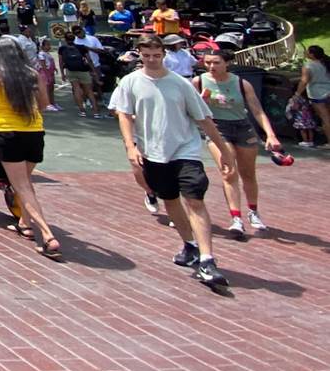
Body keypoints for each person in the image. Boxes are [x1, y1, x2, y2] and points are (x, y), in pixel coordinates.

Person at [109, 34, 234, 288]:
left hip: (185, 150)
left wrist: (224, 150)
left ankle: (207, 259)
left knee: (195, 199)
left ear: (164, 55)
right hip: (153, 152)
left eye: (156, 55)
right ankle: (189, 245)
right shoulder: (130, 82)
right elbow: (123, 114)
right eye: (146, 55)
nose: (152, 60)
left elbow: (203, 118)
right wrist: (130, 147)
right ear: (139, 54)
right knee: (170, 199)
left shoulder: (180, 83)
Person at [0, 37, 62, 259]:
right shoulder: (32, 74)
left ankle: (47, 235)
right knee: (25, 182)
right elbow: (43, 104)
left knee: (21, 186)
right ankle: (24, 223)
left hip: (6, 132)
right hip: (34, 132)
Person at [194, 49, 279, 238]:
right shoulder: (199, 82)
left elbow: (257, 110)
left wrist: (270, 135)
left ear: (226, 63)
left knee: (248, 173)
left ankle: (253, 211)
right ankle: (236, 218)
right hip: (217, 128)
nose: (211, 66)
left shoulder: (242, 83)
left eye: (216, 62)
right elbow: (190, 109)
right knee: (228, 171)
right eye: (208, 63)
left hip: (242, 126)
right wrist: (201, 103)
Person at [293, 45, 330, 148]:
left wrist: (297, 94)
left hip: (317, 95)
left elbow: (304, 81)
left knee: (325, 119)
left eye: (308, 52)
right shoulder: (326, 63)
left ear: (312, 55)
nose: (306, 53)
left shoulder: (308, 66)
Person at [58, 32, 101, 118]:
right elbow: (89, 60)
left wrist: (62, 73)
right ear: (74, 38)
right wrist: (93, 71)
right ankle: (96, 112)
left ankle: (82, 111)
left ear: (65, 39)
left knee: (76, 89)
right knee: (89, 91)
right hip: (83, 71)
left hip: (70, 71)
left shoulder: (62, 48)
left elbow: (61, 62)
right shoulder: (81, 47)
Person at [36, 38, 61, 112]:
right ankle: (47, 104)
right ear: (42, 46)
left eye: (49, 45)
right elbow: (43, 65)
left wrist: (54, 69)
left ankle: (53, 102)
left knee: (51, 88)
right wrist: (47, 74)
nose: (49, 46)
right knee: (47, 89)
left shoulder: (48, 54)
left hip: (50, 72)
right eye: (47, 45)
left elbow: (51, 62)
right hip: (45, 73)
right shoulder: (41, 54)